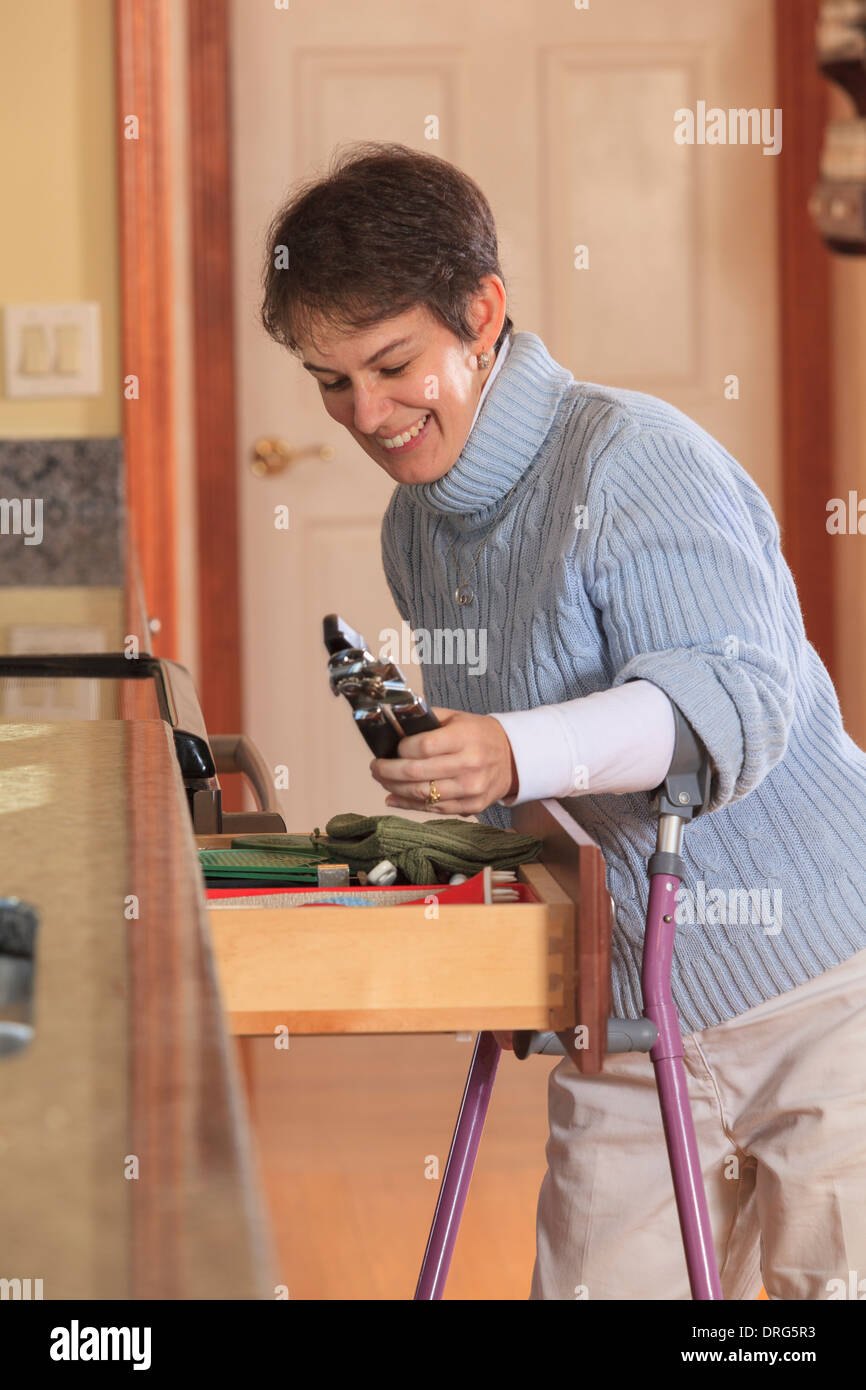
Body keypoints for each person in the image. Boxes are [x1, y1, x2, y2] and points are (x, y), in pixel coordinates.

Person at [259, 141, 866, 1301]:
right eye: (329, 380)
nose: (365, 414)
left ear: (480, 314)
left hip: (822, 988)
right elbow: (534, 750)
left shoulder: (632, 457)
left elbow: (729, 701)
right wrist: (459, 767)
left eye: (390, 364)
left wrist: (510, 744)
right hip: (631, 1007)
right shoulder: (418, 525)